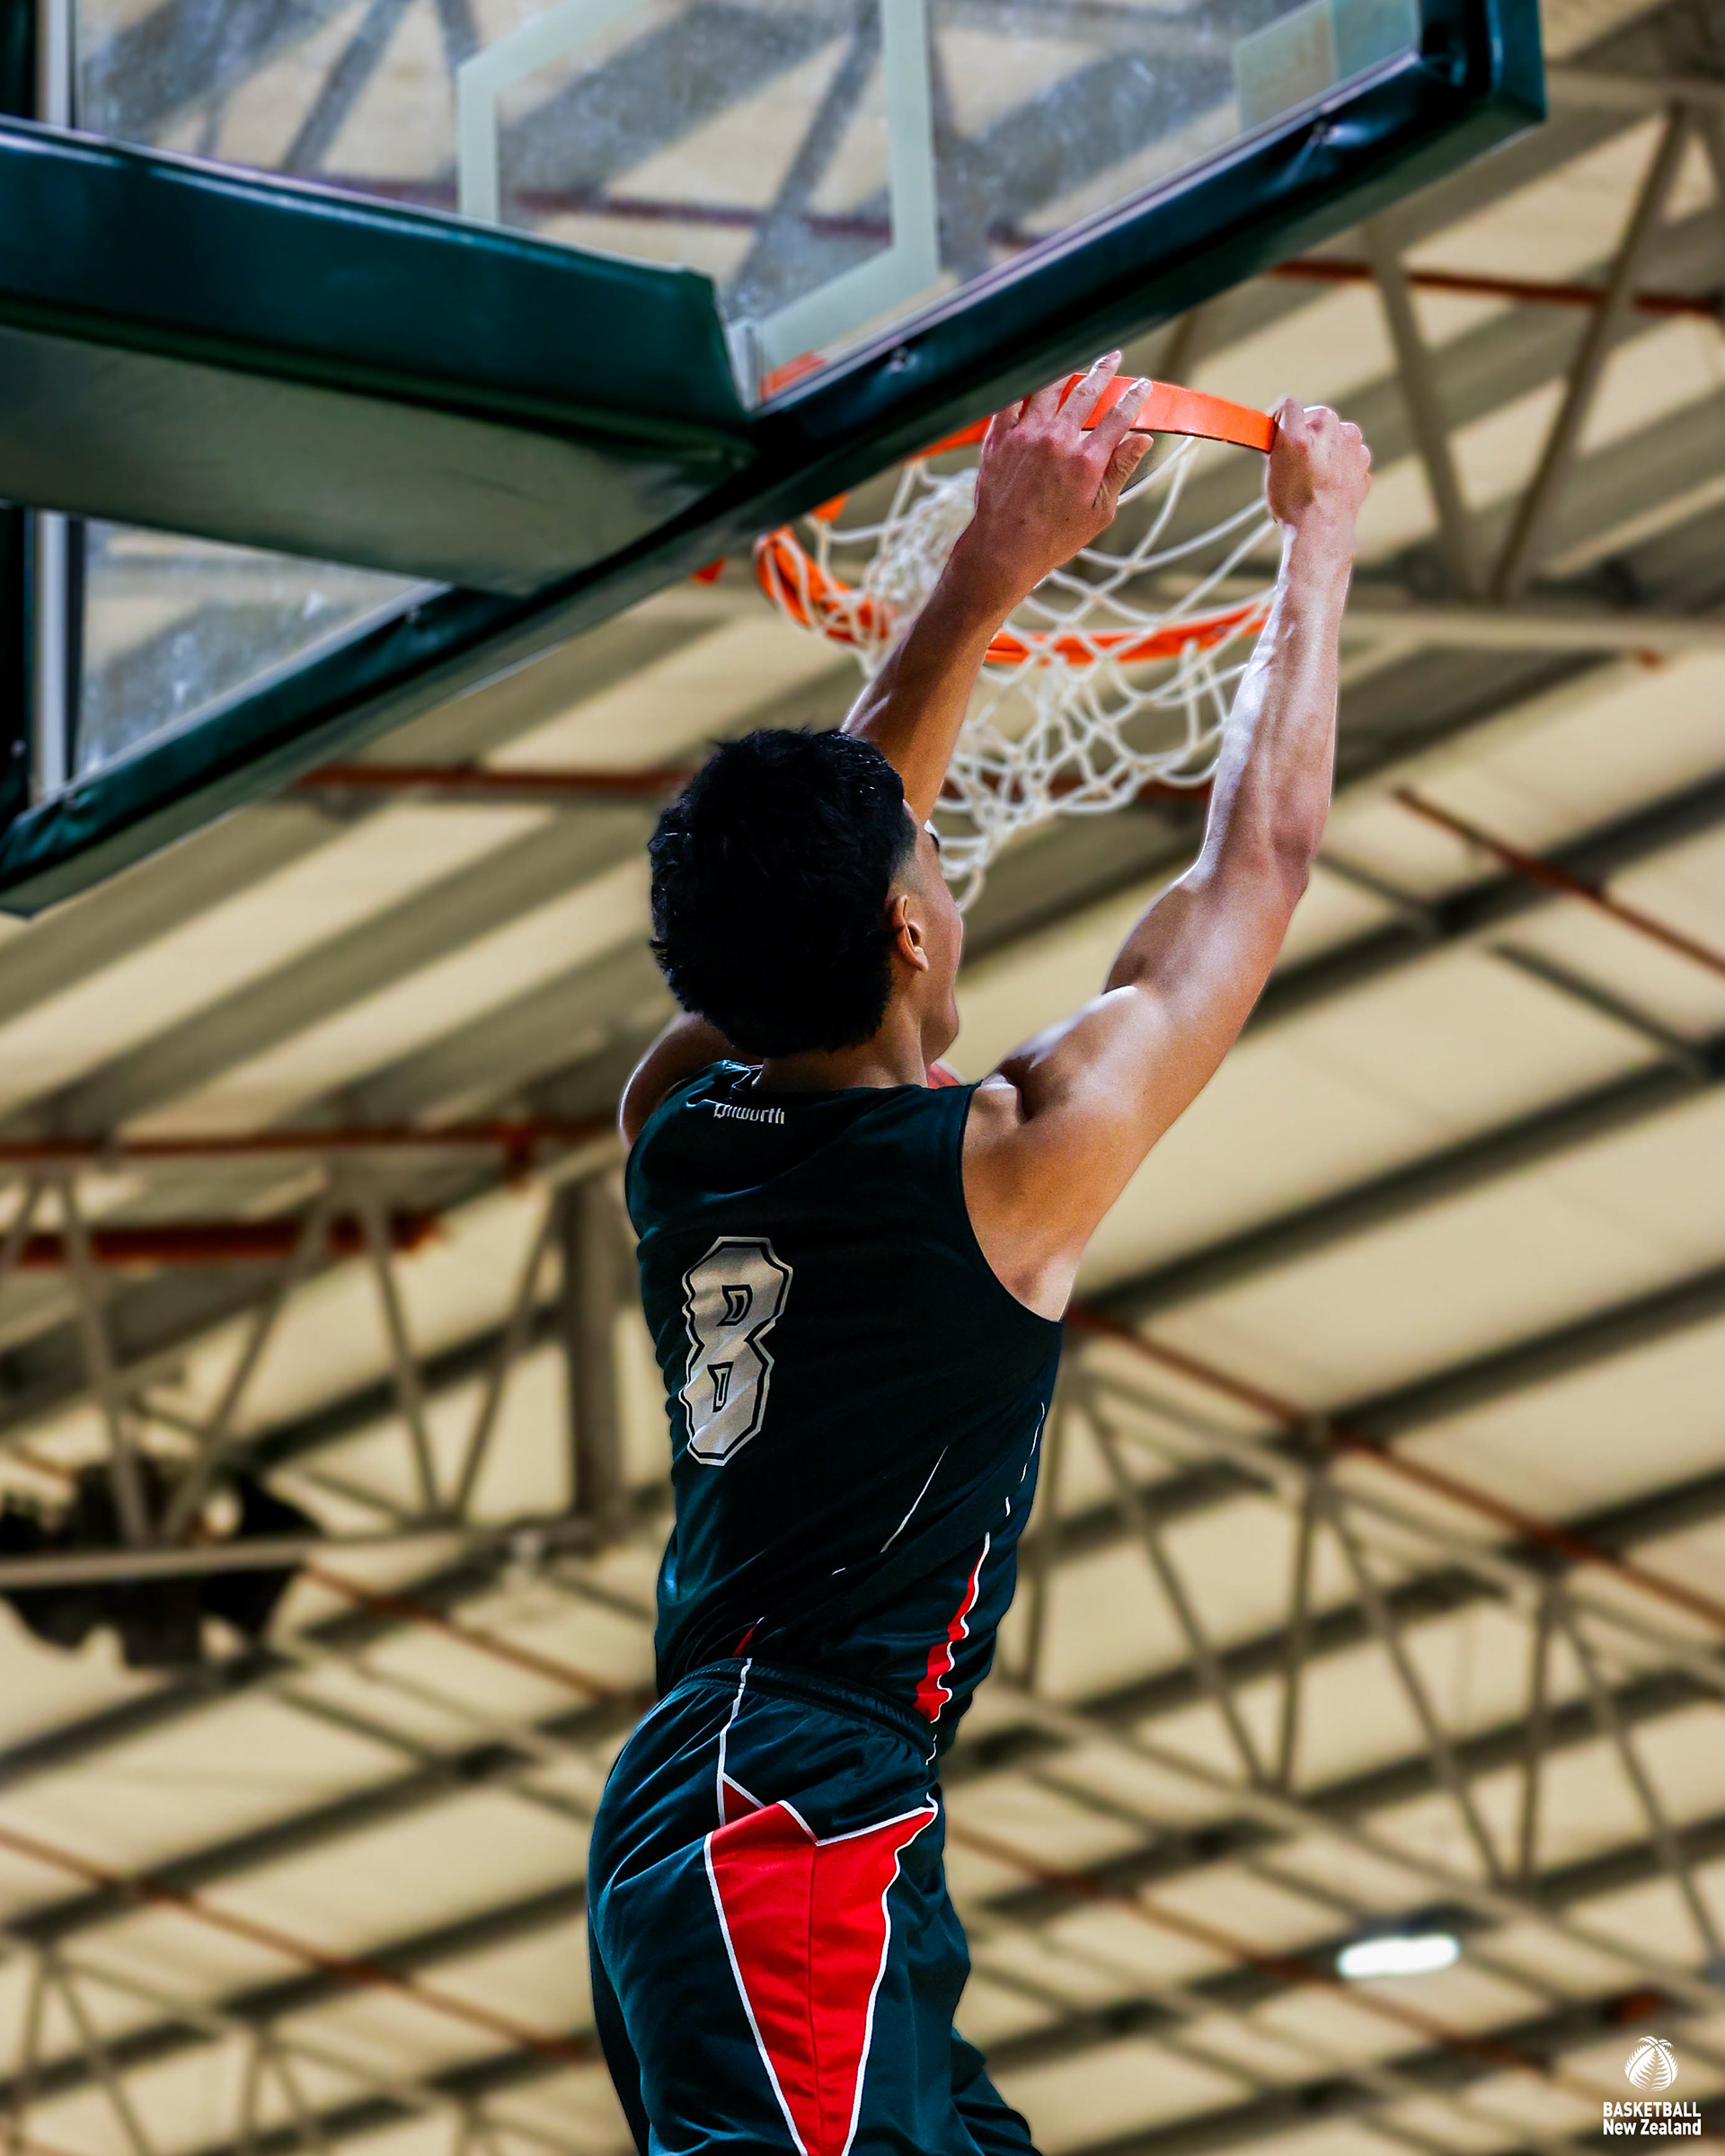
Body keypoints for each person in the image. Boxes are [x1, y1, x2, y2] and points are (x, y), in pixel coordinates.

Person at [587, 357, 1371, 2156]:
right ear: (912, 931)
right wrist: (1315, 540)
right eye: (931, 859)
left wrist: (987, 572)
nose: (942, 858)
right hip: (783, 1805)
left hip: (778, 1800)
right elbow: (1253, 869)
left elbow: (841, 839)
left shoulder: (682, 1117)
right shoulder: (1001, 1168)